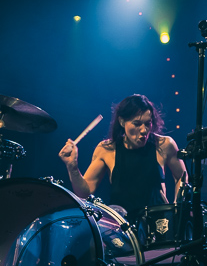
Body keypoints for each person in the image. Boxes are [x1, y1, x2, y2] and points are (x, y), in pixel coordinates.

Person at [58, 94, 187, 221]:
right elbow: (84, 192)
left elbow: (182, 176)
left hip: (158, 222)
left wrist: (177, 207)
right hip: (121, 228)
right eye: (137, 124)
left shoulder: (164, 145)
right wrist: (72, 167)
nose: (144, 130)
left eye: (148, 123)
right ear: (121, 121)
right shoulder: (106, 149)